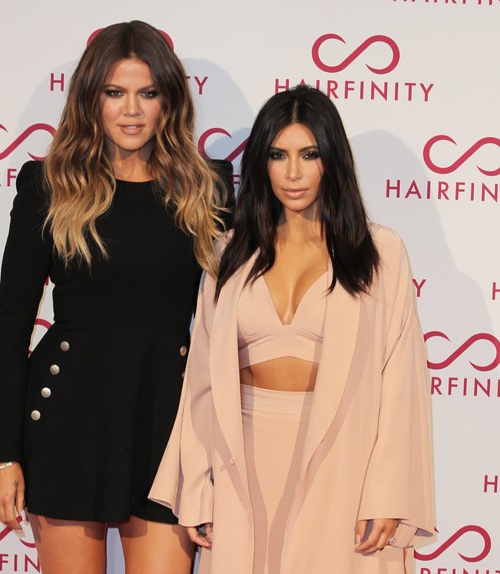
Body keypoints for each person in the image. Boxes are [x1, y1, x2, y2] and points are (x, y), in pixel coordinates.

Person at [0, 20, 233, 574]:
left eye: (147, 93)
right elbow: (12, 328)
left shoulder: (207, 187)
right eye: (115, 92)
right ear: (91, 98)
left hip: (168, 421)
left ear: (170, 101)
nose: (131, 110)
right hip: (67, 417)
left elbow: (230, 321)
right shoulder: (48, 186)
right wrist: (2, 452)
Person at [150, 84, 436, 574]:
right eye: (279, 155)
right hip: (244, 459)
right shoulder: (230, 251)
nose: (294, 173)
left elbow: (400, 379)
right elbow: (202, 381)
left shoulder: (379, 253)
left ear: (333, 160)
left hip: (343, 457)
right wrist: (197, 483)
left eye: (310, 154)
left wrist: (387, 490)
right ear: (261, 161)